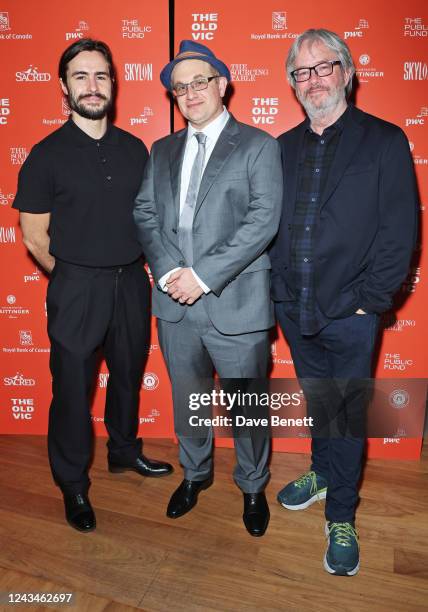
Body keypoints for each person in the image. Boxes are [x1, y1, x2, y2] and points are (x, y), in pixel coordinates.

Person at [270, 28, 418, 574]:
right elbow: (268, 226)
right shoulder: (280, 147)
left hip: (352, 313)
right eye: (302, 72)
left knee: (349, 413)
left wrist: (369, 301)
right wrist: (277, 292)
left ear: (348, 71)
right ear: (292, 84)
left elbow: (399, 230)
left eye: (324, 67)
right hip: (294, 306)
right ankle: (322, 470)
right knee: (319, 400)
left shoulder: (383, 140)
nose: (314, 80)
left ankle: (341, 514)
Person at [12, 38, 173, 533]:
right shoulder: (46, 154)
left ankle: (124, 452)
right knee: (72, 391)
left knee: (127, 376)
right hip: (77, 286)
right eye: (80, 76)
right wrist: (73, 276)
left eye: (100, 75)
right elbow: (34, 236)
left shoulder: (134, 149)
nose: (92, 85)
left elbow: (149, 220)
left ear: (113, 83)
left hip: (131, 283)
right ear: (64, 87)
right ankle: (73, 484)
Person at [133, 40, 282, 536]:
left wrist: (202, 276)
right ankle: (195, 475)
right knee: (187, 400)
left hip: (235, 301)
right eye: (180, 87)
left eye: (200, 81)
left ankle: (253, 485)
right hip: (175, 303)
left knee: (247, 406)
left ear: (222, 85)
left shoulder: (259, 145)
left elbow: (262, 221)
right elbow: (146, 214)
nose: (190, 93)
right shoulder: (163, 149)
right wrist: (174, 271)